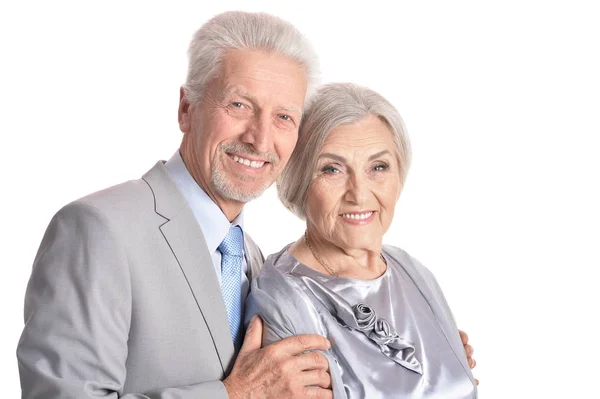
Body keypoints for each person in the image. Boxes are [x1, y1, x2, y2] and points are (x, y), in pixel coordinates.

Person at [17, 11, 476, 399]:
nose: (260, 138)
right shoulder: (98, 229)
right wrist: (233, 395)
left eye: (283, 117)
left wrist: (417, 363)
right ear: (185, 108)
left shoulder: (254, 261)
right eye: (239, 105)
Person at [246, 83, 478, 398]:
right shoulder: (283, 297)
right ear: (299, 180)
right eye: (332, 169)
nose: (359, 193)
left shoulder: (409, 269)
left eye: (378, 167)